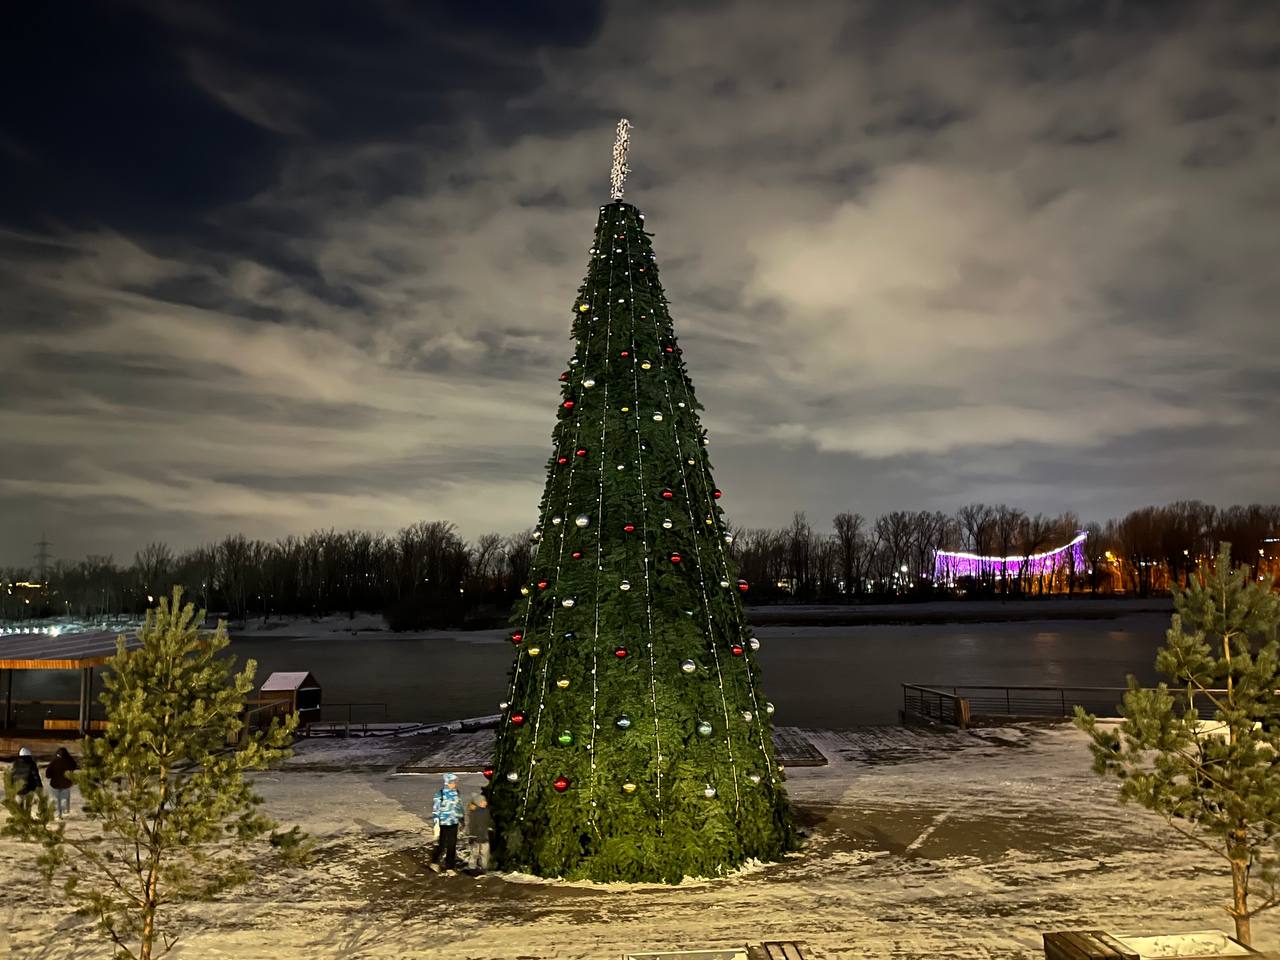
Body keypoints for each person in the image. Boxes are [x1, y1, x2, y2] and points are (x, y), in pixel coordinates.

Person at [430, 772, 464, 875]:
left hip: (454, 822)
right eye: (452, 782)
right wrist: (436, 823)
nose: (454, 784)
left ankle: (450, 866)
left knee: (452, 844)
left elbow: (459, 807)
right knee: (442, 844)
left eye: (455, 782)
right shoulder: (440, 794)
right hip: (444, 822)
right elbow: (436, 810)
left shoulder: (457, 793)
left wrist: (462, 819)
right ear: (447, 783)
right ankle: (434, 861)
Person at [45, 747, 79, 819]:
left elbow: (48, 774)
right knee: (64, 798)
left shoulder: (54, 762)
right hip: (66, 783)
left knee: (56, 799)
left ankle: (58, 815)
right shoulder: (70, 761)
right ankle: (64, 812)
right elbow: (74, 766)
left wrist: (52, 775)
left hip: (55, 783)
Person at [465, 792, 492, 875]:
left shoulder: (486, 812)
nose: (485, 803)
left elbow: (487, 823)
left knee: (485, 853)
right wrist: (471, 835)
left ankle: (484, 867)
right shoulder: (474, 813)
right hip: (476, 836)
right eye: (483, 802)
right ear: (478, 803)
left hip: (484, 836)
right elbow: (471, 825)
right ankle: (472, 867)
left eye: (485, 801)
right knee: (474, 853)